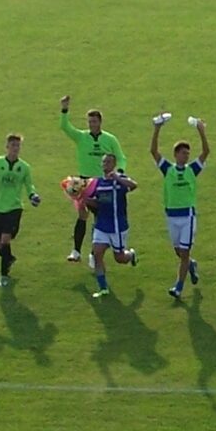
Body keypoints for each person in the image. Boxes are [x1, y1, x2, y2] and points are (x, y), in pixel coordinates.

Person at [59, 95, 127, 266]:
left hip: (101, 184)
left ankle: (93, 253)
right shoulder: (81, 137)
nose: (91, 124)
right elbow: (65, 127)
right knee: (82, 215)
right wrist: (64, 109)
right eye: (89, 121)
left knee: (98, 217)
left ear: (100, 122)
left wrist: (118, 172)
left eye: (94, 121)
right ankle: (76, 251)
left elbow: (121, 157)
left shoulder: (110, 139)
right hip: (83, 183)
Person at [150, 116, 210, 299]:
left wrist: (201, 130)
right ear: (176, 155)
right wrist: (157, 128)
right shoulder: (168, 169)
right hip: (171, 216)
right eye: (183, 153)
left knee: (184, 252)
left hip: (188, 217)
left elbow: (206, 151)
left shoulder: (192, 170)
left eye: (188, 153)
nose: (186, 156)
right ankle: (191, 265)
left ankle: (178, 286)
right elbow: (153, 151)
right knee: (179, 252)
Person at [0, 134, 41, 287]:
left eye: (17, 145)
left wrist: (33, 196)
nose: (15, 148)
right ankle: (9, 258)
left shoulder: (24, 167)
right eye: (12, 145)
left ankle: (4, 276)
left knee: (5, 239)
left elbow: (29, 186)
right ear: (7, 147)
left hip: (14, 208)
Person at [85, 154, 138, 298]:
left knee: (119, 258)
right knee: (97, 254)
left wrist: (118, 178)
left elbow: (134, 185)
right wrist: (85, 199)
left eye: (108, 162)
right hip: (102, 225)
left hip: (117, 226)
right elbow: (98, 203)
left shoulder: (120, 180)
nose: (105, 164)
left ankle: (131, 255)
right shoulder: (97, 183)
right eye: (104, 162)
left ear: (114, 164)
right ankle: (103, 288)